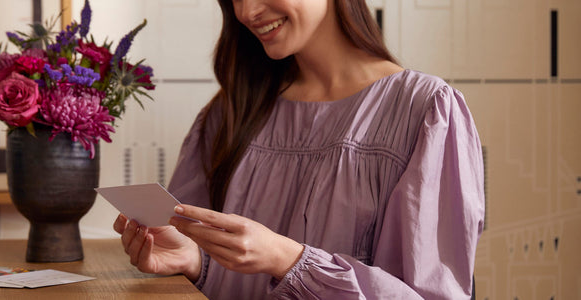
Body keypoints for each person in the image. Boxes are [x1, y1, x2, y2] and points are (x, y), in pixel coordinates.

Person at [113, 0, 485, 299]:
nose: (246, 12)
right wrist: (195, 261)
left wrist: (286, 259)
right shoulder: (231, 112)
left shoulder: (425, 112)